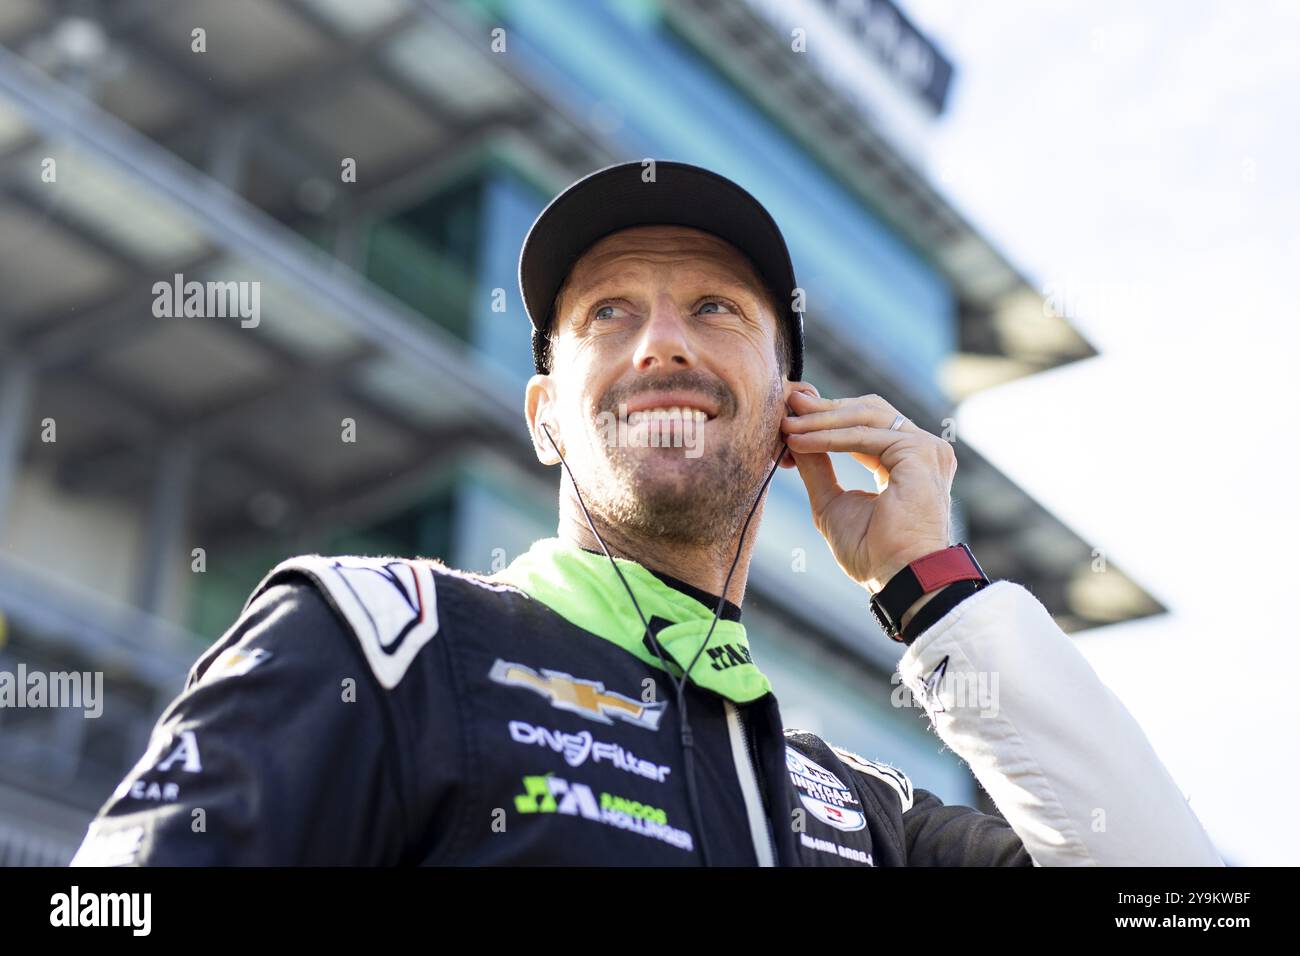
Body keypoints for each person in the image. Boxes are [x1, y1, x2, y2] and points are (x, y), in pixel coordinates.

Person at [72, 161, 1220, 866]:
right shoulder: (379, 641)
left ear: (790, 409)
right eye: (609, 311)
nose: (661, 338)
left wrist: (933, 587)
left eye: (714, 307)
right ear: (544, 415)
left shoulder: (857, 809)